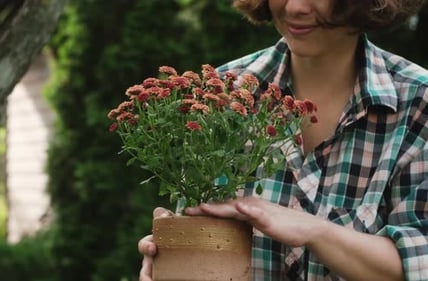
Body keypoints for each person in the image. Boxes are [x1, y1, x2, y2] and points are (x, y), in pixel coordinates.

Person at [138, 0, 428, 280]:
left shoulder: (417, 104)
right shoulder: (222, 95)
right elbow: (198, 231)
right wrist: (173, 257)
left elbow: (420, 262)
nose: (295, 7)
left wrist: (315, 232)